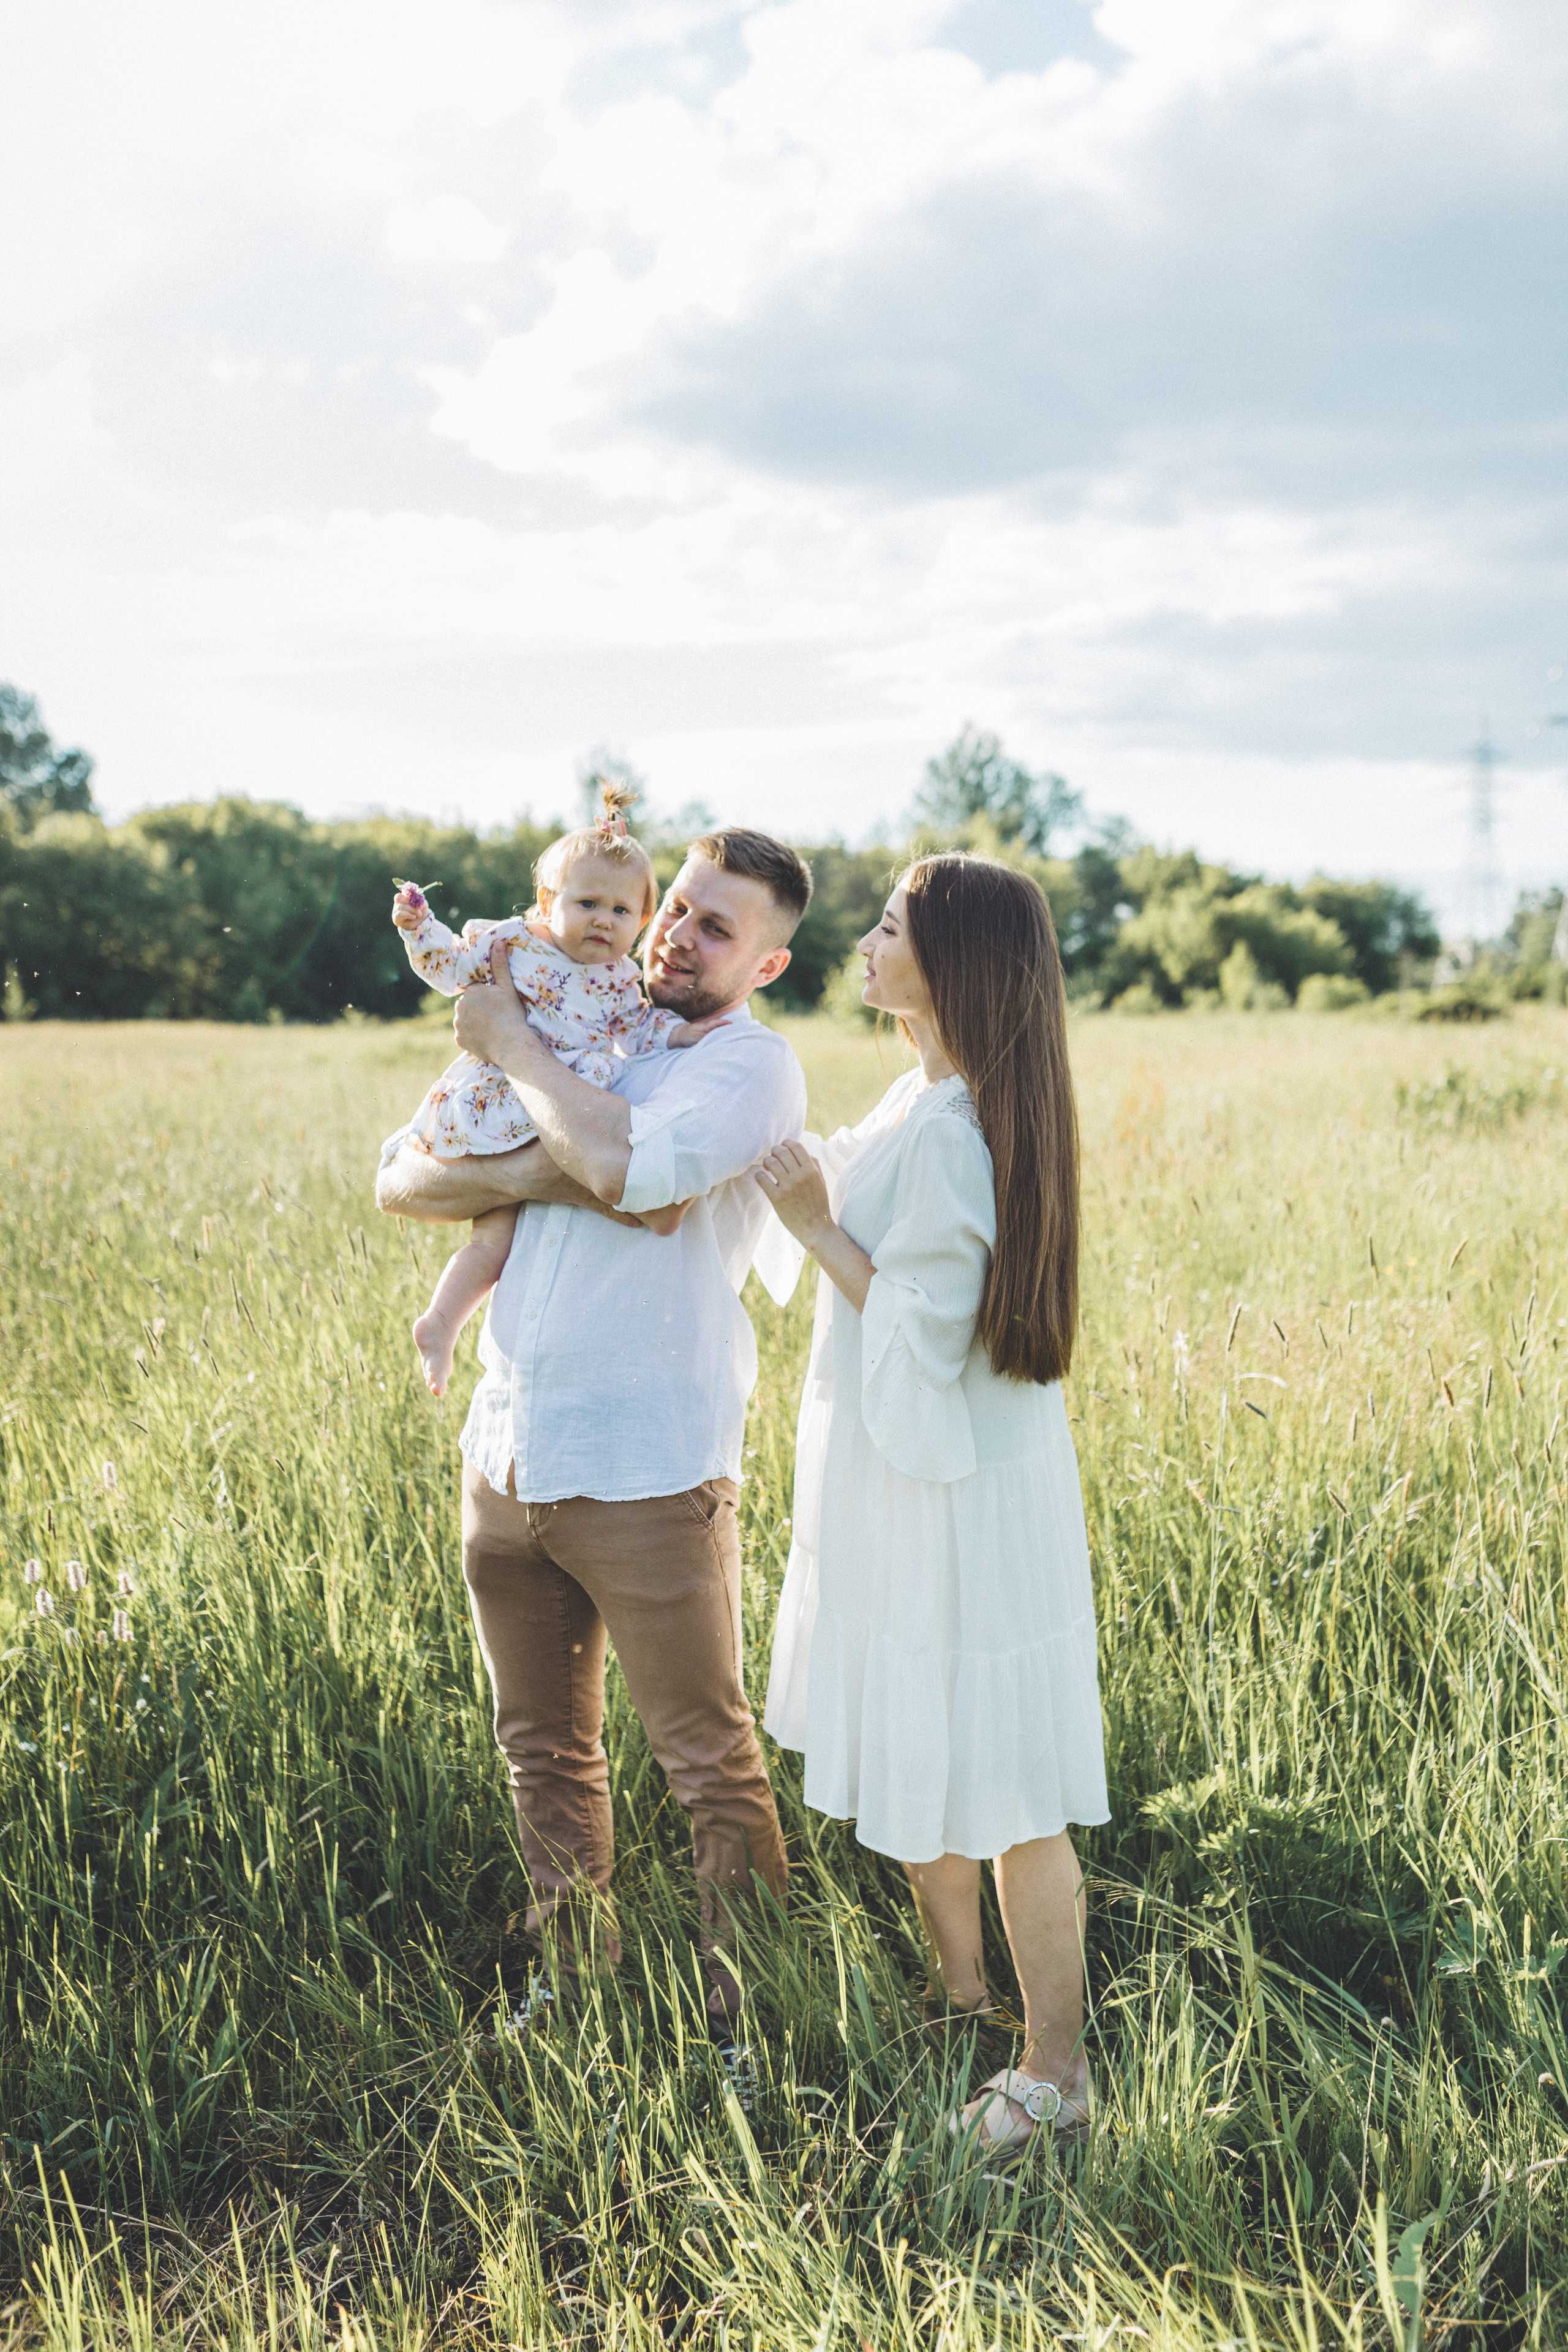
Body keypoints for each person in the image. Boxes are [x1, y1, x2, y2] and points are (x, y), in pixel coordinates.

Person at [375, 827, 812, 2039]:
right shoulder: (595, 1024)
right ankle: (569, 1987)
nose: (676, 931)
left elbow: (641, 1181)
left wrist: (506, 1048)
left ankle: (746, 2021)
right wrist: (555, 1156)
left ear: (766, 964)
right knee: (541, 1752)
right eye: (676, 904)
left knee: (704, 1761)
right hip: (506, 1448)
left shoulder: (746, 1068)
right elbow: (401, 1179)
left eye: (717, 926)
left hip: (646, 1468)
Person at [753, 853, 1108, 2157]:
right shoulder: (921, 1095)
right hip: (908, 1482)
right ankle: (961, 1994)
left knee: (1006, 1780)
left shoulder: (959, 1135)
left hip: (963, 1495)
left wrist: (812, 1228)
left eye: (887, 924)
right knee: (921, 1735)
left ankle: (1053, 2068)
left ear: (947, 962)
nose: (862, 938)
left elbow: (923, 1323)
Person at [390, 782, 719, 1398]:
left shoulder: (620, 980)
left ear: (641, 923)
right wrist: (420, 929)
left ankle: (440, 1322)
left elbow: (641, 1030)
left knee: (497, 1236)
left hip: (556, 1108)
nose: (604, 920)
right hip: (496, 1098)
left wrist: (680, 1037)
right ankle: (443, 1321)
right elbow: (452, 968)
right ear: (547, 901)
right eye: (588, 902)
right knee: (494, 1223)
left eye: (621, 912)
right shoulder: (510, 942)